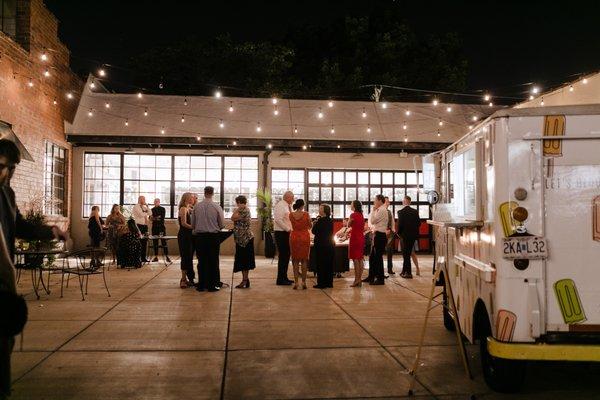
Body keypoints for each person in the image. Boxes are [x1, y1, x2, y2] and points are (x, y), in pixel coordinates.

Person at [0, 139, 67, 398]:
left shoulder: (7, 194)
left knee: (4, 338)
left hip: (3, 276)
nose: (7, 174)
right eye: (3, 167)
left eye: (12, 169)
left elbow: (21, 226)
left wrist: (51, 230)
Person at [192, 186, 225, 292]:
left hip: (200, 237)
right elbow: (222, 224)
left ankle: (202, 284)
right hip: (213, 237)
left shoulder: (197, 207)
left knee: (201, 261)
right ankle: (212, 285)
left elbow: (193, 224)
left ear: (204, 193)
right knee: (213, 261)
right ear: (213, 193)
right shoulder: (217, 207)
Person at [232, 195, 255, 289]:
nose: (236, 205)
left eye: (237, 203)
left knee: (244, 261)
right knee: (242, 260)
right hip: (241, 239)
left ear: (240, 202)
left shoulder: (244, 210)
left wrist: (236, 210)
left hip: (245, 239)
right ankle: (245, 279)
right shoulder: (243, 209)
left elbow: (233, 218)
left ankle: (244, 280)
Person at [288, 199, 312, 289]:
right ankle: (304, 282)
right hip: (305, 237)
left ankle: (296, 282)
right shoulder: (306, 214)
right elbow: (310, 226)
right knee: (304, 260)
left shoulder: (291, 214)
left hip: (294, 237)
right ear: (302, 205)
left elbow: (291, 225)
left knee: (295, 260)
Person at [396, 195, 421, 279]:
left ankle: (409, 273)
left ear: (404, 202)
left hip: (404, 236)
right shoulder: (415, 211)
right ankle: (404, 271)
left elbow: (400, 225)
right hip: (413, 236)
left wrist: (398, 233)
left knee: (405, 255)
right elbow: (419, 224)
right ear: (410, 202)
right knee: (408, 253)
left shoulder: (400, 212)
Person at [365, 194, 388, 285]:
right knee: (372, 257)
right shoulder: (379, 209)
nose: (374, 202)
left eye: (375, 200)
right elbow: (371, 222)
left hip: (380, 235)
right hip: (376, 234)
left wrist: (374, 211)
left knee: (378, 258)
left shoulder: (381, 210)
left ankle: (380, 279)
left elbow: (372, 221)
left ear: (380, 201)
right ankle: (371, 276)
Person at [273, 191, 294, 285]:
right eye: (292, 197)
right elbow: (278, 219)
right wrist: (288, 229)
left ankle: (284, 277)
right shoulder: (281, 205)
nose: (293, 199)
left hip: (285, 233)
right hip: (281, 233)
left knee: (286, 256)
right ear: (287, 197)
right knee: (283, 256)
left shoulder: (286, 205)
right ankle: (280, 279)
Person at [312, 204, 334, 289]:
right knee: (328, 264)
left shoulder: (321, 220)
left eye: (320, 208)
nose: (319, 209)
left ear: (324, 211)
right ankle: (329, 283)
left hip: (321, 245)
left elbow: (314, 231)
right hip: (329, 244)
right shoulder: (330, 220)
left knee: (321, 264)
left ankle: (321, 283)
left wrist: (314, 224)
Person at [177, 193, 195, 288]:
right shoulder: (183, 209)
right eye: (192, 197)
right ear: (187, 198)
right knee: (185, 257)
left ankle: (189, 278)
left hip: (189, 235)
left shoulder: (189, 208)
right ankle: (183, 279)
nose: (193, 199)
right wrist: (194, 228)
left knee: (189, 257)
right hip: (184, 236)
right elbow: (183, 223)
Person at [348, 200, 366, 287]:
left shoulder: (353, 215)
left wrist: (349, 221)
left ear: (354, 206)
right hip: (361, 238)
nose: (350, 206)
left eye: (351, 204)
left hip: (355, 238)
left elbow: (348, 225)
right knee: (360, 258)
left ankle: (357, 279)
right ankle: (359, 279)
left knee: (355, 259)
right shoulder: (361, 215)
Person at [132, 196, 151, 263]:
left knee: (144, 242)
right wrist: (146, 212)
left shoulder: (144, 207)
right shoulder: (136, 206)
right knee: (138, 242)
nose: (144, 200)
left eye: (144, 199)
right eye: (143, 199)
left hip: (145, 226)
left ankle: (143, 257)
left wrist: (147, 207)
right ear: (139, 199)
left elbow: (150, 213)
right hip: (138, 226)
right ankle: (137, 258)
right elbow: (141, 214)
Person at [151, 198, 170, 263]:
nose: (155, 202)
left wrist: (154, 218)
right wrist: (156, 218)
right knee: (155, 242)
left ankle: (167, 256)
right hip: (154, 228)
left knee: (163, 242)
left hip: (161, 227)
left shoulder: (162, 209)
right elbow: (150, 218)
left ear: (159, 202)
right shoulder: (152, 209)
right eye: (155, 201)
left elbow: (161, 218)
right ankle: (156, 256)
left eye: (157, 201)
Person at [384, 196, 396, 275]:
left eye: (389, 201)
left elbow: (392, 222)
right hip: (382, 232)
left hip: (390, 233)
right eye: (387, 201)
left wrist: (393, 230)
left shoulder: (390, 211)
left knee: (390, 251)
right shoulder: (381, 211)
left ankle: (389, 268)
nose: (388, 203)